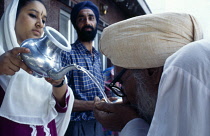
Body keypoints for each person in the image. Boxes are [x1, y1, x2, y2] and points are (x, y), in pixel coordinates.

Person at [93, 12, 210, 136]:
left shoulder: (182, 72)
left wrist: (129, 122)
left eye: (121, 83)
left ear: (151, 72)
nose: (124, 99)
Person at [0, 0, 74, 135]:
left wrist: (58, 83)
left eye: (44, 20)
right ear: (13, 17)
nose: (40, 24)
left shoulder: (45, 63)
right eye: (33, 15)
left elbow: (62, 106)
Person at [61, 1, 105, 136]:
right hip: (75, 127)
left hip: (98, 124)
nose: (87, 22)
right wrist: (94, 105)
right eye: (81, 19)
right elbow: (59, 100)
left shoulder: (97, 57)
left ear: (96, 23)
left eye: (91, 18)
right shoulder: (66, 54)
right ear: (75, 24)